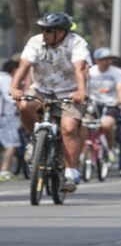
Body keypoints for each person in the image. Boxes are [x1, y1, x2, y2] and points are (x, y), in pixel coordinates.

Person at [9, 13, 91, 192]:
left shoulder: (76, 42)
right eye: (42, 29)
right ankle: (34, 140)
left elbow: (80, 68)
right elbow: (24, 66)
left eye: (48, 30)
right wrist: (14, 87)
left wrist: (81, 92)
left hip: (71, 91)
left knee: (69, 128)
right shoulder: (35, 42)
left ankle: (70, 172)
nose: (44, 34)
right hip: (42, 88)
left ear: (61, 32)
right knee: (25, 105)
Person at [88, 48, 121, 162]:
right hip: (93, 103)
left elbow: (120, 87)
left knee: (106, 125)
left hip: (111, 104)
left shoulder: (117, 72)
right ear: (97, 60)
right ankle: (85, 152)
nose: (108, 61)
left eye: (109, 59)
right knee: (85, 124)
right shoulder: (90, 71)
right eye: (104, 59)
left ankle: (110, 147)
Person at [0, 60, 21, 181]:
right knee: (12, 143)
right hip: (6, 115)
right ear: (14, 70)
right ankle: (4, 170)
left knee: (3, 145)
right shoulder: (7, 79)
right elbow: (10, 98)